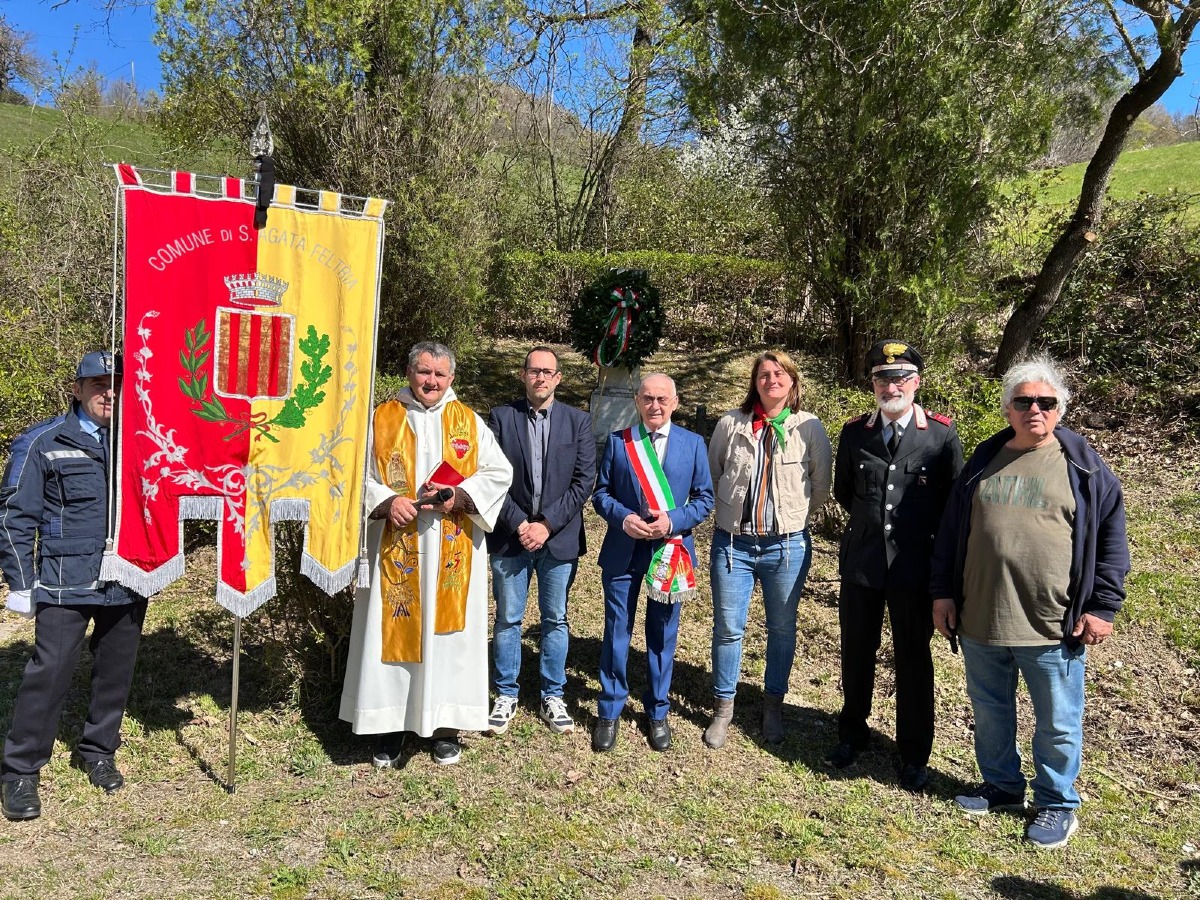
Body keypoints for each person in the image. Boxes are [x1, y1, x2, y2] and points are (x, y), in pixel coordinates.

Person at [930, 353, 1129, 849]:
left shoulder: (1084, 468)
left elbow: (1111, 542)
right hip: (980, 617)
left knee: (1058, 722)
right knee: (990, 711)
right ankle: (1001, 788)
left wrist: (1102, 606)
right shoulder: (983, 460)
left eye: (1045, 402)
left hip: (1051, 623)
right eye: (1023, 401)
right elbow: (952, 533)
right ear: (1008, 409)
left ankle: (1057, 803)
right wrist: (942, 593)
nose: (1034, 409)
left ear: (1060, 408)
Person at [339, 342, 513, 766]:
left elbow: (498, 472)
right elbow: (352, 472)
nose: (431, 381)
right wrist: (385, 500)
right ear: (409, 371)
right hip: (396, 547)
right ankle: (390, 725)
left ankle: (445, 725)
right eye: (423, 372)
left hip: (452, 551)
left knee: (449, 638)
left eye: (439, 374)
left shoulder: (468, 422)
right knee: (393, 636)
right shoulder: (381, 419)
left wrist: (459, 495)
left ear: (451, 378)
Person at [1, 351, 146, 822]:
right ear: (78, 389)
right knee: (50, 672)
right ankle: (20, 770)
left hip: (124, 577)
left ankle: (99, 750)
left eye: (116, 384)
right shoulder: (41, 442)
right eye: (98, 383)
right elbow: (14, 518)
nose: (109, 392)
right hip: (64, 581)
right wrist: (20, 583)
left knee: (115, 671)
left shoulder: (141, 443)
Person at [827, 340, 963, 790]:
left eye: (901, 377)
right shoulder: (855, 433)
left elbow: (952, 508)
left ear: (916, 383)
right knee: (856, 652)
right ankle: (853, 733)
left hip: (914, 567)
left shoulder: (940, 436)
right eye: (883, 378)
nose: (892, 386)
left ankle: (914, 753)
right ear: (872, 384)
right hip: (863, 564)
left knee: (913, 659)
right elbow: (845, 492)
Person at [703, 350, 832, 749]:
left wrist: (789, 519)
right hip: (733, 545)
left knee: (781, 630)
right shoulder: (731, 424)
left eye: (779, 374)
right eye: (763, 374)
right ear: (754, 381)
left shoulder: (808, 427)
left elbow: (820, 486)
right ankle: (723, 707)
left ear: (792, 381)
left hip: (787, 548)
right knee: (728, 629)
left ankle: (772, 704)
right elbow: (714, 473)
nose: (771, 380)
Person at [591, 373, 713, 752]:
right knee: (617, 629)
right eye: (648, 398)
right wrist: (622, 517)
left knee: (662, 634)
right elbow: (602, 494)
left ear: (675, 402)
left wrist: (672, 520)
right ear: (637, 400)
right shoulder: (619, 442)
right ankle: (609, 709)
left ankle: (657, 710)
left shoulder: (693, 445)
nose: (655, 406)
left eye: (662, 399)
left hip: (670, 550)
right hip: (624, 547)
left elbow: (704, 498)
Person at [485, 347, 596, 736]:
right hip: (510, 537)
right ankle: (506, 693)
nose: (541, 378)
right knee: (507, 619)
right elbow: (490, 479)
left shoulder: (578, 422)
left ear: (558, 378)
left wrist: (546, 525)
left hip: (558, 539)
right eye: (535, 371)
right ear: (523, 375)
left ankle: (552, 694)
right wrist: (520, 524)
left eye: (549, 372)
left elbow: (584, 481)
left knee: (555, 619)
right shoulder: (500, 418)